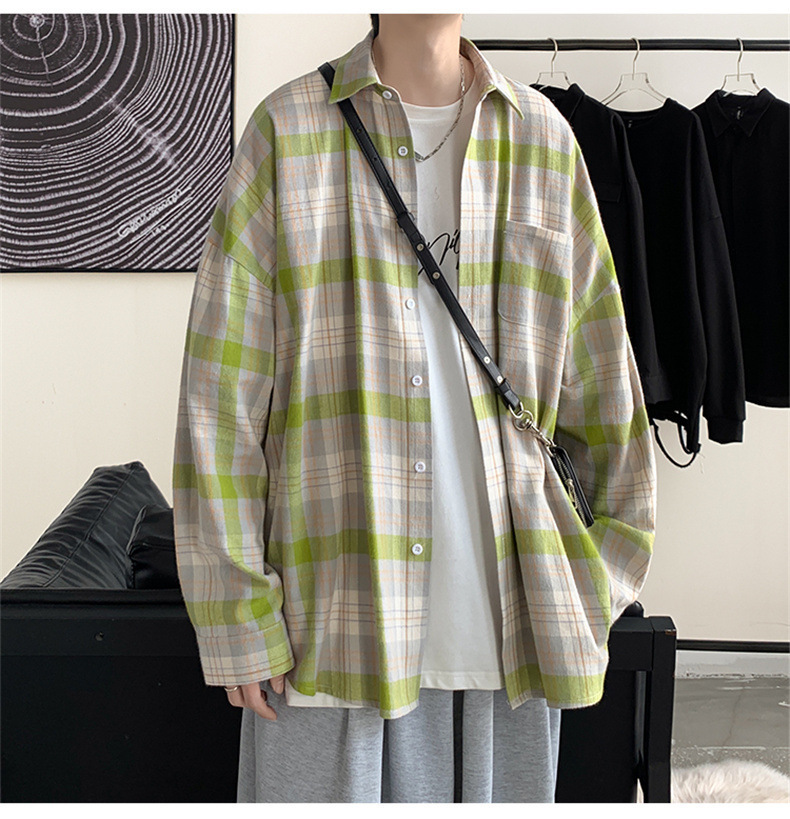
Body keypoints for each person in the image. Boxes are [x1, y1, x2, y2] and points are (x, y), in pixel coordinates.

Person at [172, 13, 657, 803]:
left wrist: (595, 582)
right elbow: (220, 401)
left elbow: (606, 390)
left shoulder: (544, 141)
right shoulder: (286, 134)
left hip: (514, 639)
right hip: (331, 629)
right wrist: (238, 613)